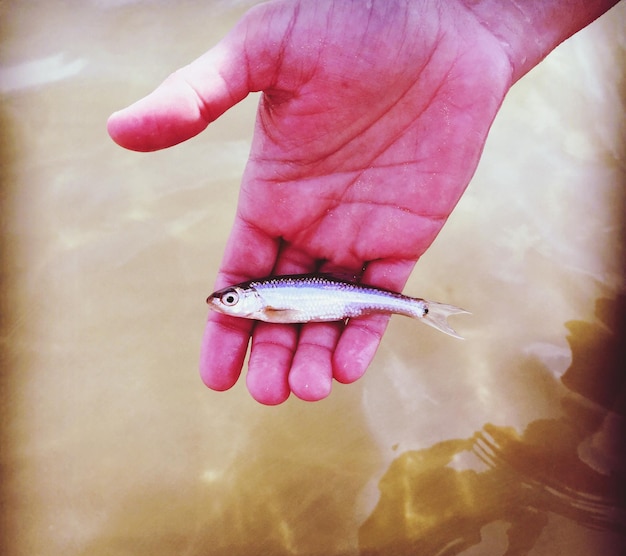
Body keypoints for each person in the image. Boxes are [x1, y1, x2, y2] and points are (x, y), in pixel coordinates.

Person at [107, 0, 620, 405]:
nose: (227, 301)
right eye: (231, 299)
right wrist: (478, 20)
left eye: (232, 299)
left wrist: (471, 21)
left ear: (254, 297)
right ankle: (418, 309)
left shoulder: (270, 302)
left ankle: (418, 309)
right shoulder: (272, 301)